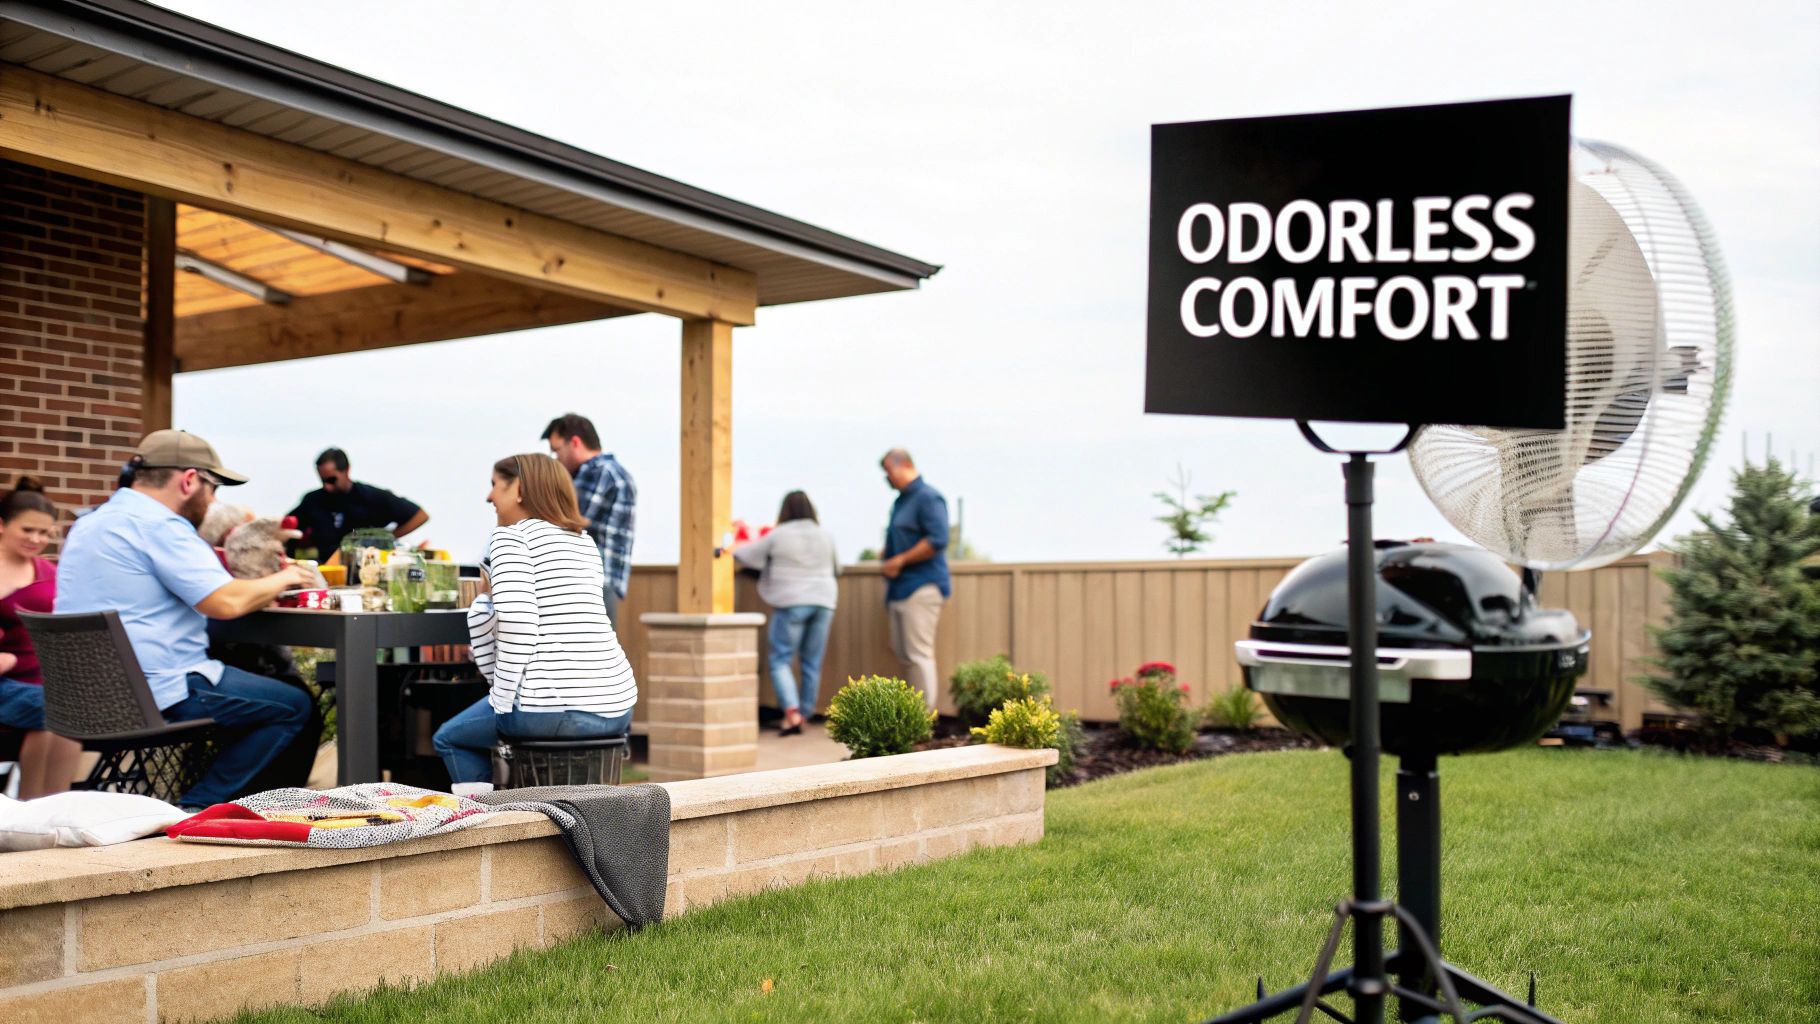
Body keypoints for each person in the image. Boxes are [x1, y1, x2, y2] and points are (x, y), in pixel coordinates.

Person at [55, 430, 316, 811]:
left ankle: (219, 807)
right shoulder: (160, 525)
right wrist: (287, 577)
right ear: (189, 480)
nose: (213, 501)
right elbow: (225, 602)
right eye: (213, 489)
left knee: (251, 692)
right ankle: (197, 809)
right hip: (157, 692)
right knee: (295, 705)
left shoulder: (91, 523)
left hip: (90, 698)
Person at [432, 454, 638, 795]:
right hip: (616, 702)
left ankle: (487, 822)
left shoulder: (510, 539)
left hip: (551, 708)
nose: (489, 497)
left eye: (495, 485)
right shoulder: (584, 541)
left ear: (520, 490)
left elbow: (517, 625)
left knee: (450, 738)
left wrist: (500, 697)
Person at [0, 477, 81, 799]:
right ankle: (31, 807)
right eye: (28, 530)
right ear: (2, 525)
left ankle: (55, 803)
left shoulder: (48, 572)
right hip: (6, 682)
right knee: (54, 707)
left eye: (44, 532)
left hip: (45, 679)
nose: (36, 539)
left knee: (73, 703)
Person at [734, 491, 841, 735]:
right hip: (824, 601)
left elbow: (746, 555)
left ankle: (792, 714)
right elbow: (838, 568)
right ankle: (805, 714)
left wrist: (731, 545)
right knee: (811, 662)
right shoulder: (826, 535)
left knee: (780, 659)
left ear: (785, 510)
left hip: (792, 602)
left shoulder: (779, 534)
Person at [544, 414, 636, 626]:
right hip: (604, 580)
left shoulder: (596, 471)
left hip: (588, 581)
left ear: (575, 442)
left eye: (557, 450)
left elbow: (570, 521)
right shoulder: (617, 472)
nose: (556, 459)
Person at [879, 448, 950, 711]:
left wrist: (901, 560)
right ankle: (912, 714)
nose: (887, 478)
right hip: (899, 589)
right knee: (904, 654)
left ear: (904, 465)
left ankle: (924, 718)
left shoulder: (928, 498)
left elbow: (938, 540)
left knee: (919, 655)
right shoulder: (901, 501)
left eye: (888, 471)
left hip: (921, 586)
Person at [288, 448, 429, 559]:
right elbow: (288, 529)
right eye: (323, 480)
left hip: (367, 568)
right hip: (327, 568)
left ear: (346, 470)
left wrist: (386, 538)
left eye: (332, 480)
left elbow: (420, 515)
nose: (327, 486)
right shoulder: (313, 500)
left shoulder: (371, 497)